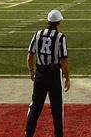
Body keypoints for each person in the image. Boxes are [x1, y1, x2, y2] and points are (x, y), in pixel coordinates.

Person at [26, 9, 70, 137]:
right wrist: (67, 78)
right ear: (59, 22)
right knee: (57, 108)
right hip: (54, 75)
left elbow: (29, 56)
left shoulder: (37, 34)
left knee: (35, 107)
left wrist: (31, 71)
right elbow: (64, 60)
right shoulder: (60, 37)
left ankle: (28, 134)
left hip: (40, 73)